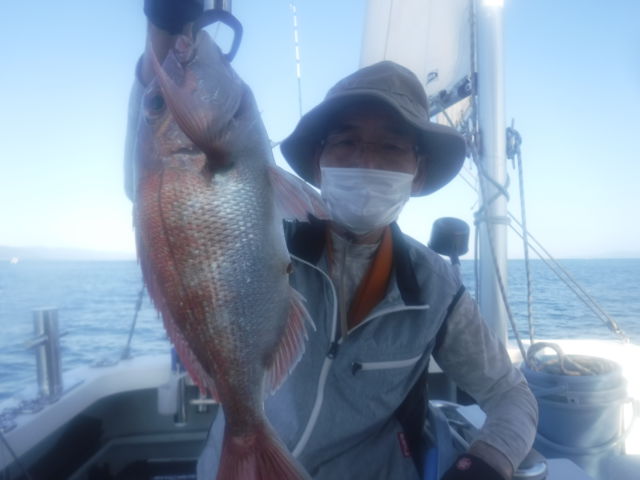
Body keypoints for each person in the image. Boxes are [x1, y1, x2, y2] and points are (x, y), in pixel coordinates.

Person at [125, 2, 538, 479]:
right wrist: (166, 24)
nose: (367, 161)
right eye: (345, 142)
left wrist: (487, 461)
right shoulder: (271, 228)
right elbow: (164, 188)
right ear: (318, 163)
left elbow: (511, 394)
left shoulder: (436, 288)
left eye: (391, 147)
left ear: (418, 173)